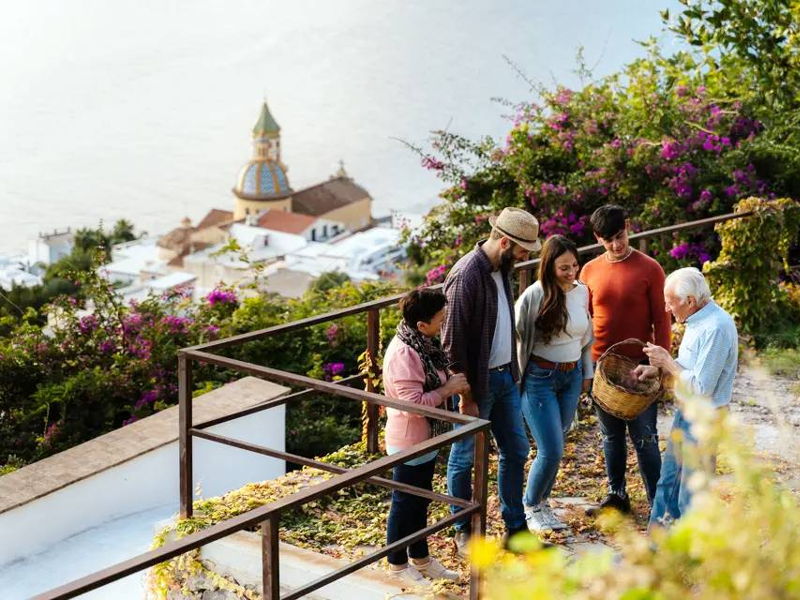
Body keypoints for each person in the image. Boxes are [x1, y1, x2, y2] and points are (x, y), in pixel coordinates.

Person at [442, 206, 542, 555]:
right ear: (504, 242)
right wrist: (465, 393)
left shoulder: (503, 269)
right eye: (522, 251)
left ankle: (515, 529)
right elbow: (451, 341)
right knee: (464, 457)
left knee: (516, 450)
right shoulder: (466, 275)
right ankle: (464, 529)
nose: (525, 257)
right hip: (477, 384)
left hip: (504, 379)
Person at [580, 205, 671, 514]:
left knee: (645, 436)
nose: (616, 245)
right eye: (608, 240)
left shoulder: (650, 268)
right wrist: (585, 368)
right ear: (597, 238)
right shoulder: (589, 270)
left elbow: (662, 320)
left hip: (640, 366)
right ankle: (617, 497)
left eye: (620, 237)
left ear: (628, 227)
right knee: (610, 436)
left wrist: (659, 365)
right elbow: (584, 319)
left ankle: (659, 503)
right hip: (602, 367)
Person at [634, 267, 738, 528]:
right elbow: (692, 366)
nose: (667, 308)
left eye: (671, 302)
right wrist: (657, 368)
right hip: (688, 412)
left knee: (692, 494)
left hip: (705, 418)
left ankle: (691, 558)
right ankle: (657, 546)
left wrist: (668, 362)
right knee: (668, 482)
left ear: (690, 301)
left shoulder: (716, 328)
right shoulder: (697, 319)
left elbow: (702, 387)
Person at [383, 288, 470, 584]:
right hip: (409, 439)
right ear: (421, 325)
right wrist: (448, 390)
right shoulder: (404, 352)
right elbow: (412, 405)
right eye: (440, 319)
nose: (443, 323)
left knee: (420, 502)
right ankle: (396, 564)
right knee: (404, 502)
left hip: (427, 439)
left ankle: (420, 558)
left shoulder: (423, 344)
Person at [515, 235, 594, 532]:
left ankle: (544, 502)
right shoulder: (533, 296)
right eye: (564, 267)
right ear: (548, 267)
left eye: (575, 265)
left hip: (571, 376)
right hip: (540, 378)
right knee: (551, 448)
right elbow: (516, 341)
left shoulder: (582, 292)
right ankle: (531, 503)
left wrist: (586, 373)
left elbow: (585, 338)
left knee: (558, 442)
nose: (571, 272)